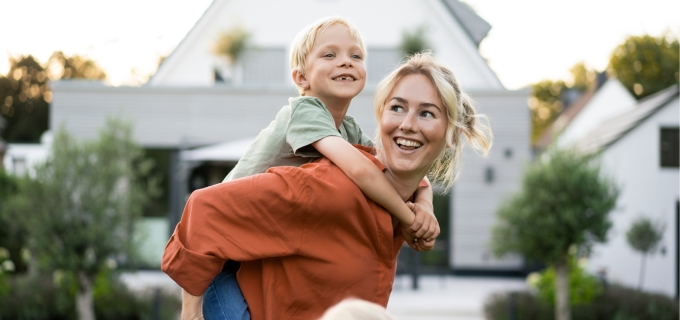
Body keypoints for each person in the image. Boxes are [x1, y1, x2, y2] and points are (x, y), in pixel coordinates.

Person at [162, 52, 492, 320]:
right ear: (381, 116)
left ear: (451, 134)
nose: (407, 124)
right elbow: (204, 208)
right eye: (397, 107)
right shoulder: (325, 188)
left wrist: (424, 201)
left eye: (426, 113)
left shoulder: (402, 202)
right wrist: (190, 315)